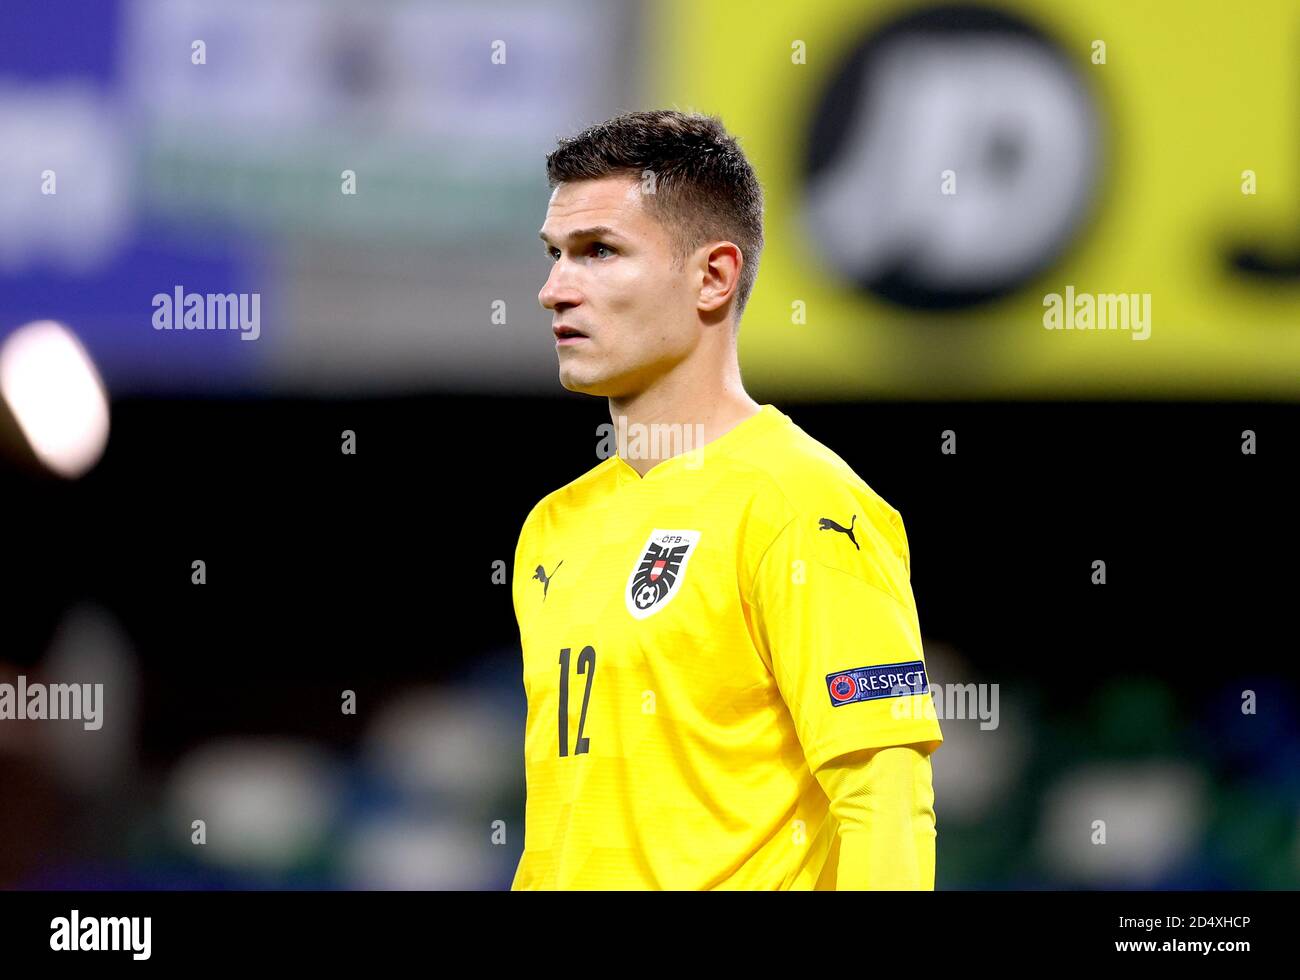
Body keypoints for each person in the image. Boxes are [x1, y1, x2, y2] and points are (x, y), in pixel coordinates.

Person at [512, 109, 942, 889]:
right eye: (554, 256)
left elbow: (884, 793)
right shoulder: (551, 528)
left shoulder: (802, 503)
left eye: (597, 252)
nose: (552, 291)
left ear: (712, 275)